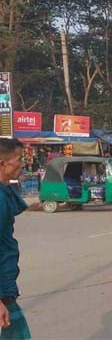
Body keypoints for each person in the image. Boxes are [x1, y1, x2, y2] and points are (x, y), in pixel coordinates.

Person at [0, 139, 31, 340]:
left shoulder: (4, 191)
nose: (22, 164)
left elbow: (19, 207)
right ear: (2, 163)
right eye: (18, 159)